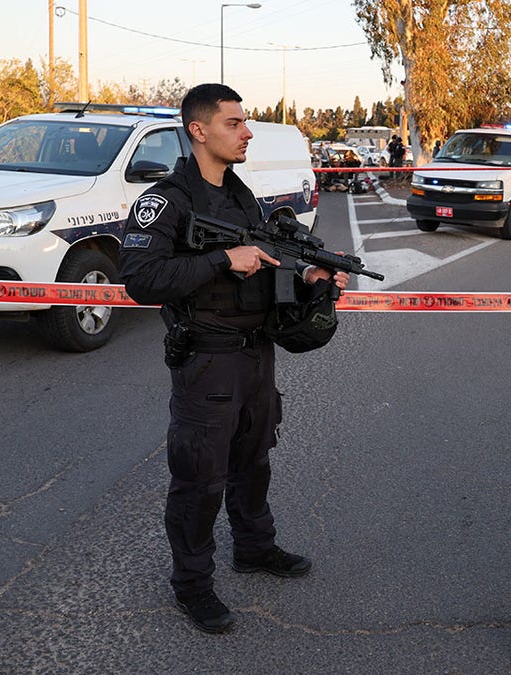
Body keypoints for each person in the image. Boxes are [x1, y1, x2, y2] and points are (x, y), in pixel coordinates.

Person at [118, 83, 349, 634]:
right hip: (206, 359)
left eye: (245, 123)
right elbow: (141, 279)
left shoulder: (242, 195)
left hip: (254, 356)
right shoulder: (165, 201)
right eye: (234, 123)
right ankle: (193, 586)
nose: (247, 132)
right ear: (198, 130)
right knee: (200, 479)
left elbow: (265, 263)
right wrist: (224, 258)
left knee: (254, 461)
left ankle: (254, 547)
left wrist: (311, 276)